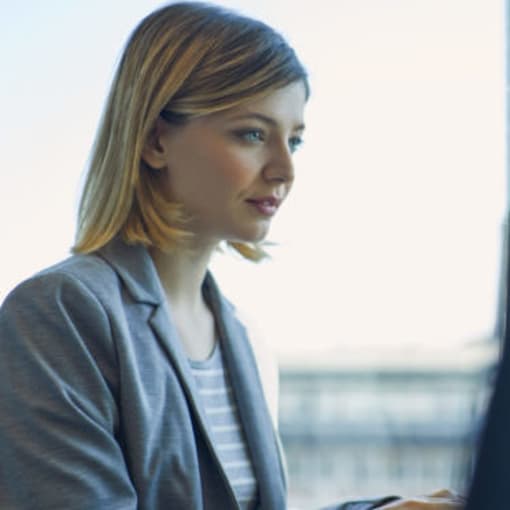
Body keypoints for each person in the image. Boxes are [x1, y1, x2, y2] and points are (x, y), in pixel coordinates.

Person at [0, 2, 466, 509]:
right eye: (253, 134)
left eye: (295, 140)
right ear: (156, 140)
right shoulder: (59, 312)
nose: (285, 169)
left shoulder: (245, 340)